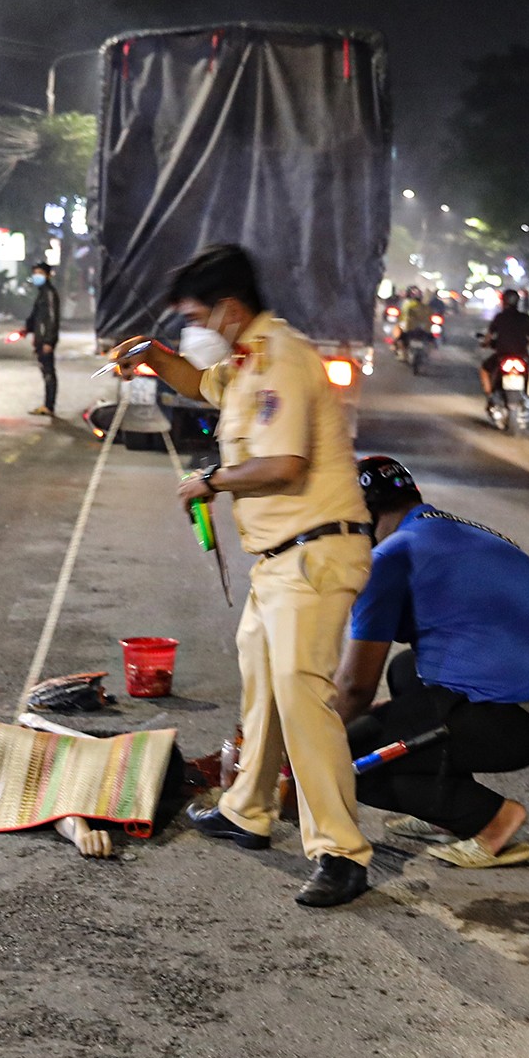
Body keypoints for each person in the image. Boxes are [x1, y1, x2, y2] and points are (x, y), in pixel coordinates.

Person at [112, 243, 376, 908]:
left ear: (230, 310)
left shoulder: (282, 358)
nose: (192, 329)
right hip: (280, 560)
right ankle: (247, 810)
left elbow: (283, 462)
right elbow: (201, 386)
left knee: (299, 696)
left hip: (314, 553)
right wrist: (151, 356)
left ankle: (341, 851)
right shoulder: (247, 359)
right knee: (260, 680)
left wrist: (211, 479)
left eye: (196, 316)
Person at [338, 455, 529, 867]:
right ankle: (444, 814)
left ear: (362, 517)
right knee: (403, 671)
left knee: (350, 759)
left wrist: (305, 751)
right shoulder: (448, 528)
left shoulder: (388, 558)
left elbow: (356, 687)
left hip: (520, 718)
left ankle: (492, 821)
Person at [481, 288, 529, 404]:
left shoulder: (499, 317)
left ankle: (490, 395)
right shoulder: (525, 318)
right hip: (522, 356)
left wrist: (485, 344)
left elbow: (488, 338)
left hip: (501, 356)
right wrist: (527, 342)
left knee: (484, 370)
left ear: (503, 301)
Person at [24, 259, 62, 416]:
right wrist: (27, 329)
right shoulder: (42, 293)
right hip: (40, 338)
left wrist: (48, 341)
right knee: (45, 371)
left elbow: (52, 318)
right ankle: (47, 405)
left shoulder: (49, 293)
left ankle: (49, 406)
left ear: (47, 275)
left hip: (45, 339)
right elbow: (37, 316)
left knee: (48, 372)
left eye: (40, 273)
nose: (36, 276)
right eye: (35, 273)